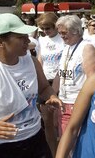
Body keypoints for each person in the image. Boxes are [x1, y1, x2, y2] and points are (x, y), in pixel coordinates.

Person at [0, 13, 62, 158]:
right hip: (4, 147)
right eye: (21, 37)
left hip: (35, 138)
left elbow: (44, 88)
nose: (28, 40)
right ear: (1, 42)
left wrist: (51, 96)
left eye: (26, 35)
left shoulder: (31, 61)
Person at [55, 15, 95, 136]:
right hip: (63, 102)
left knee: (76, 142)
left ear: (76, 30)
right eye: (59, 33)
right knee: (65, 141)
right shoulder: (66, 48)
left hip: (78, 103)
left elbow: (92, 79)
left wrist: (82, 104)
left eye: (64, 32)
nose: (61, 36)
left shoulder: (87, 48)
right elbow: (60, 74)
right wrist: (53, 95)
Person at [35, 12, 65, 156]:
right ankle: (53, 152)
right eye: (43, 29)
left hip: (61, 81)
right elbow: (40, 60)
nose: (46, 32)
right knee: (47, 122)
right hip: (45, 81)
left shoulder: (63, 39)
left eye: (48, 28)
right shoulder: (42, 40)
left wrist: (55, 88)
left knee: (58, 121)